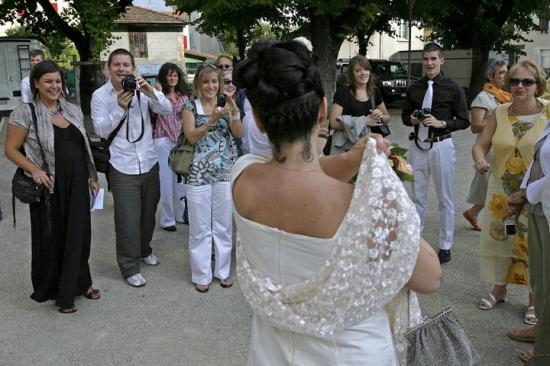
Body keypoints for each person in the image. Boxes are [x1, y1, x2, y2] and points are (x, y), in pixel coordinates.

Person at [232, 39, 441, 365]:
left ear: (257, 120)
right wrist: (387, 193)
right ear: (321, 110)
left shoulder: (241, 178)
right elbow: (430, 278)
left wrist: (350, 160)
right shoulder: (360, 206)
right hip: (352, 355)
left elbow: (301, 173)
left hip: (270, 353)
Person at [5, 61, 100, 313]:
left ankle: (82, 282)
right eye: (48, 81)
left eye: (58, 81)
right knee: (54, 238)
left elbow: (83, 147)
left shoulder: (72, 110)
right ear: (36, 84)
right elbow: (11, 150)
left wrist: (91, 176)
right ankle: (60, 292)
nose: (54, 86)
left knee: (80, 235)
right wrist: (34, 170)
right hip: (49, 186)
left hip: (77, 182)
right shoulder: (25, 112)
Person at [472, 59, 548, 326]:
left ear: (538, 85)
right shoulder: (500, 112)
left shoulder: (548, 113)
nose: (519, 86)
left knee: (532, 245)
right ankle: (499, 289)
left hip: (534, 194)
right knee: (503, 239)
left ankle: (532, 299)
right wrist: (480, 159)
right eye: (514, 80)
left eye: (527, 81)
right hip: (501, 193)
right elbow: (480, 144)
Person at [91, 49, 172, 288]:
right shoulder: (100, 96)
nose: (121, 69)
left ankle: (144, 249)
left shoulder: (142, 91)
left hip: (148, 161)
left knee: (148, 214)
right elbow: (100, 130)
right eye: (116, 64)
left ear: (133, 68)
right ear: (108, 68)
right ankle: (129, 266)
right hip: (121, 165)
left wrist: (150, 90)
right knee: (127, 219)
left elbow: (166, 110)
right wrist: (119, 108)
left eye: (126, 65)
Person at [401, 42, 470, 264]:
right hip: (418, 146)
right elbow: (403, 117)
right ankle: (415, 242)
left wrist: (442, 122)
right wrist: (411, 119)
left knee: (445, 198)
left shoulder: (453, 88)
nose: (429, 63)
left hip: (441, 145)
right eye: (426, 59)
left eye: (433, 59)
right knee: (417, 197)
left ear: (442, 60)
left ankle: (445, 245)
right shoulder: (415, 87)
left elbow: (464, 121)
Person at [182, 61, 242, 293]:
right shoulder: (190, 106)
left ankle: (223, 271)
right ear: (198, 83)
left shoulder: (226, 104)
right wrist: (211, 121)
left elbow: (238, 133)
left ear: (220, 83)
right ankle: (202, 274)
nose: (210, 85)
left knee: (223, 225)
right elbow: (191, 137)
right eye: (205, 81)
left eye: (214, 81)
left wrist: (233, 106)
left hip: (224, 172)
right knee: (200, 227)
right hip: (198, 174)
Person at [506, 105, 550, 365]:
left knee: (548, 283)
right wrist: (522, 193)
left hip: (545, 206)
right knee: (540, 277)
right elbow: (537, 161)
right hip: (539, 206)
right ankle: (541, 331)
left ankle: (545, 352)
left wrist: (524, 193)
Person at [463, 59, 511, 231]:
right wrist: (498, 122)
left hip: (502, 147)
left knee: (496, 186)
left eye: (506, 71)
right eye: (501, 72)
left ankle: (473, 213)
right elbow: (475, 126)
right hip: (487, 149)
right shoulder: (483, 97)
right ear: (491, 76)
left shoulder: (505, 96)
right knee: (492, 187)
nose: (505, 75)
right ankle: (503, 225)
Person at [153, 63, 192, 232]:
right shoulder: (158, 95)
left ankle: (180, 214)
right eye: (169, 75)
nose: (172, 78)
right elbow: (155, 110)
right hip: (163, 140)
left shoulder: (184, 96)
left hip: (179, 142)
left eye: (175, 75)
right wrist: (158, 92)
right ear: (163, 76)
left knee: (180, 182)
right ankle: (167, 220)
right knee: (166, 182)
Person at [329, 55, 390, 155]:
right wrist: (364, 121)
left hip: (369, 147)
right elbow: (333, 123)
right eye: (358, 70)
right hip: (347, 147)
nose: (363, 73)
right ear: (352, 74)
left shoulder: (374, 91)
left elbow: (387, 118)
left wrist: (380, 116)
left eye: (366, 69)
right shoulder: (343, 92)